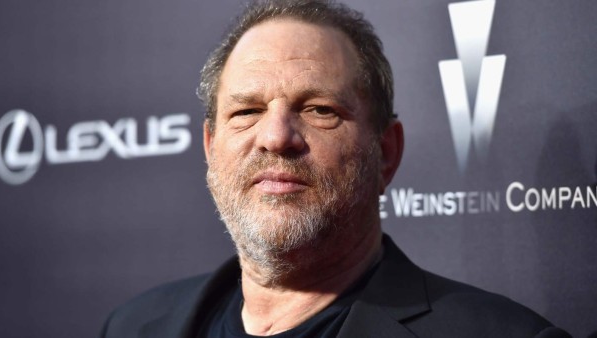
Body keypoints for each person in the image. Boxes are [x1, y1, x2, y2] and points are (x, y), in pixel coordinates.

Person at [101, 1, 571, 337]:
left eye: (319, 109)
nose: (276, 136)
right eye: (246, 111)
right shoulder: (131, 326)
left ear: (386, 151)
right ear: (210, 147)